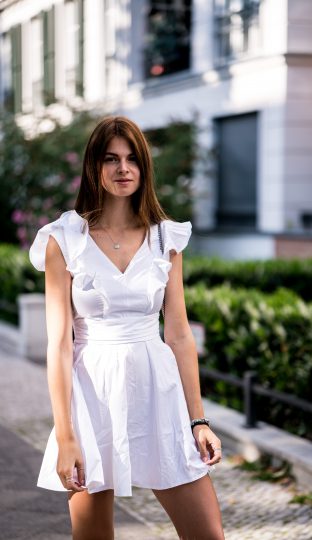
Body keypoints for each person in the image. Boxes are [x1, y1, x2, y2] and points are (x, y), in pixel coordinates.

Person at [29, 116, 224, 540]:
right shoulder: (63, 239)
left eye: (133, 159)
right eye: (112, 159)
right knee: (93, 536)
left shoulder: (165, 239)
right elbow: (60, 345)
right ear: (93, 167)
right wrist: (65, 436)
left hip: (159, 389)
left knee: (208, 536)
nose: (124, 169)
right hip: (91, 393)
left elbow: (178, 334)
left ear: (144, 168)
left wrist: (199, 422)